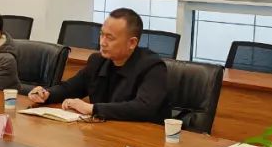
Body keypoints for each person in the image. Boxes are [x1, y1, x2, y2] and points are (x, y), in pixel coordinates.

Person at [27, 8, 169, 123]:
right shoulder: (97, 61)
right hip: (104, 134)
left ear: (132, 43)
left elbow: (143, 108)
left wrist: (92, 109)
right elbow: (70, 88)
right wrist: (47, 94)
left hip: (142, 139)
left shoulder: (153, 67)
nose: (102, 42)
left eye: (110, 38)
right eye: (102, 35)